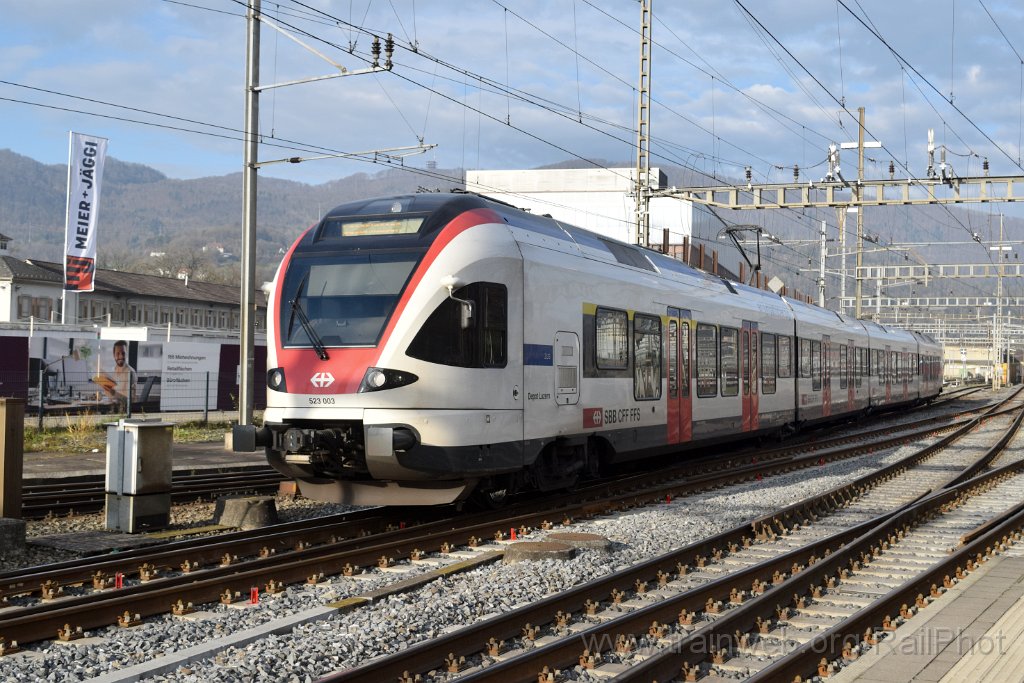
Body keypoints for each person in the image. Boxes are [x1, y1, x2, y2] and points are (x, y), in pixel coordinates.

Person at [102, 340, 136, 411]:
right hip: (113, 408)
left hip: (122, 411)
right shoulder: (114, 371)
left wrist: (114, 393)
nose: (121, 356)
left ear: (126, 354)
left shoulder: (130, 373)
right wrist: (106, 390)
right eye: (118, 354)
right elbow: (113, 395)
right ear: (114, 355)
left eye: (123, 353)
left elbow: (131, 401)